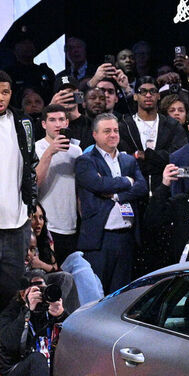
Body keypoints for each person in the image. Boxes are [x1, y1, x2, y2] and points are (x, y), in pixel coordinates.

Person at [75, 113, 147, 293]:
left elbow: (142, 187)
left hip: (127, 237)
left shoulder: (128, 160)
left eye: (115, 130)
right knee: (97, 293)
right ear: (95, 134)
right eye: (107, 131)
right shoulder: (85, 161)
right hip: (100, 240)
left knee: (122, 295)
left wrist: (116, 195)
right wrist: (127, 181)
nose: (113, 134)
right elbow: (98, 184)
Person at [0, 71, 38, 311]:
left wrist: (30, 205)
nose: (0, 98)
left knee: (12, 294)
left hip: (16, 224)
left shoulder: (23, 123)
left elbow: (30, 166)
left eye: (5, 92)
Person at [118, 76, 188, 191]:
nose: (148, 95)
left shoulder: (172, 125)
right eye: (143, 91)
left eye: (153, 91)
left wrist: (146, 155)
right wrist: (157, 160)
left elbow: (178, 156)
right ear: (135, 96)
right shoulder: (125, 126)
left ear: (158, 95)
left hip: (167, 189)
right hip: (134, 189)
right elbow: (123, 159)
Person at [35, 104, 82, 264]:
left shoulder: (76, 151)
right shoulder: (36, 148)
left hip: (71, 225)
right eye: (52, 120)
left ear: (67, 123)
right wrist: (50, 152)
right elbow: (34, 184)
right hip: (46, 226)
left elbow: (79, 191)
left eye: (61, 119)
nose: (58, 124)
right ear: (43, 124)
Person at [0, 270, 66, 376]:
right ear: (23, 294)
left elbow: (76, 340)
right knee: (37, 358)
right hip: (18, 368)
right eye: (36, 291)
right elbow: (10, 344)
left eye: (42, 289)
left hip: (50, 367)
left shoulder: (51, 308)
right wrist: (27, 310)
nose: (40, 295)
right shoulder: (10, 311)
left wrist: (62, 315)